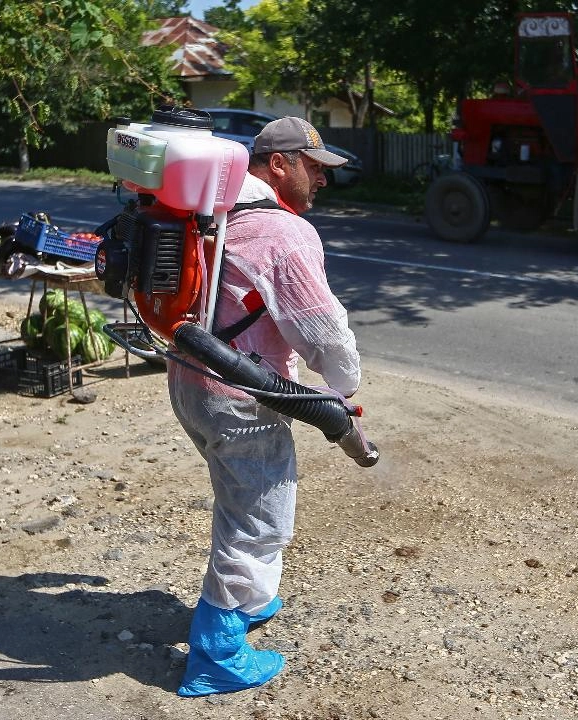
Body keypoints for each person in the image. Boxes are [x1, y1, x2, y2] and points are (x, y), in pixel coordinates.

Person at [167, 117, 362, 697]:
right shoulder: (283, 232)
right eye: (314, 168)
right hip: (241, 401)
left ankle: (250, 599)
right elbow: (323, 333)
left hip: (190, 382)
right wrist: (344, 384)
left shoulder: (213, 213)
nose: (322, 180)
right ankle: (217, 655)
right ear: (279, 164)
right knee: (257, 521)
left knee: (239, 499)